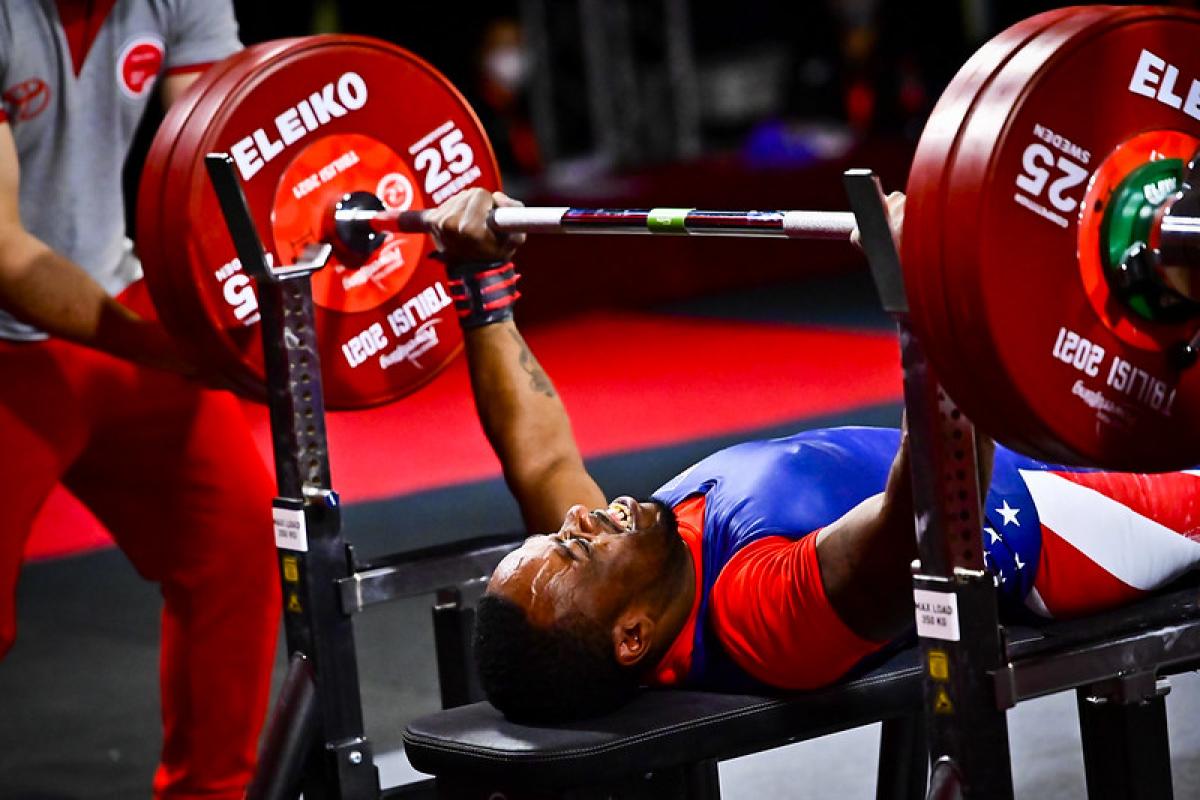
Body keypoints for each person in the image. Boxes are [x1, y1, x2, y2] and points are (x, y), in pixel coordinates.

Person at [427, 187, 1200, 724]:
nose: (579, 519)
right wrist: (921, 293)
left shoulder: (615, 576)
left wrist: (477, 279)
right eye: (572, 545)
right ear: (632, 636)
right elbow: (928, 508)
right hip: (1059, 521)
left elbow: (538, 459)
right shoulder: (758, 610)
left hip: (1004, 431)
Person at [0, 3, 278, 798]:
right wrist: (165, 344)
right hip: (18, 332)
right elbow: (5, 251)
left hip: (110, 296)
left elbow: (223, 149)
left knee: (233, 542)